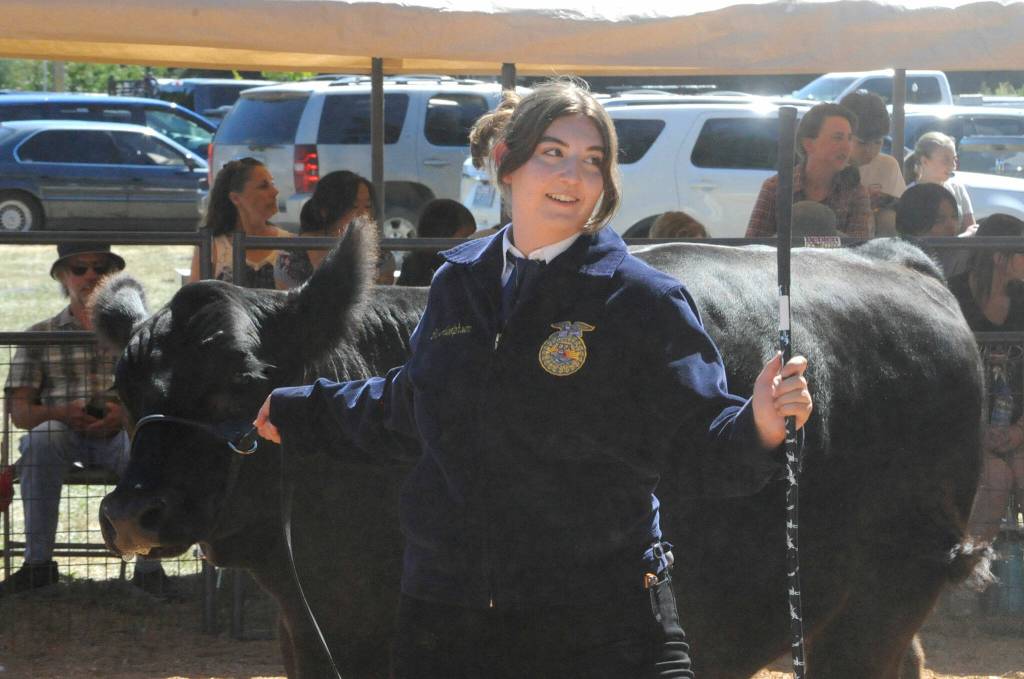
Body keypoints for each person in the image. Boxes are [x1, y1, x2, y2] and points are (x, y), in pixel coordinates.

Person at [253, 79, 813, 678]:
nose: (573, 175)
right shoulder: (457, 284)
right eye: (553, 153)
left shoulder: (641, 300)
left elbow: (699, 439)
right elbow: (411, 403)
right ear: (506, 163)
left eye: (592, 161)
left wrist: (756, 424)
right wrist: (300, 409)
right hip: (447, 616)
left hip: (599, 623)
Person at [1, 244, 170, 596]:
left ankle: (149, 568)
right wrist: (62, 413)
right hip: (61, 433)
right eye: (79, 268)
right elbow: (19, 412)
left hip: (121, 433)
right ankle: (37, 564)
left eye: (100, 268)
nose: (90, 275)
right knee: (43, 438)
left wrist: (122, 415)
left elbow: (161, 397)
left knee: (147, 445)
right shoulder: (38, 335)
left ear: (113, 278)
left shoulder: (141, 335)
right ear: (62, 276)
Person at [948, 214, 1024, 545]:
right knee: (994, 476)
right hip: (963, 426)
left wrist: (1018, 431)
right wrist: (977, 433)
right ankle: (972, 571)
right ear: (1000, 257)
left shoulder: (1022, 298)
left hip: (1015, 424)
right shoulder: (954, 295)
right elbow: (945, 378)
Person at [746, 102, 873, 239]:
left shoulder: (855, 192)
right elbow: (753, 249)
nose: (847, 147)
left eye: (849, 139)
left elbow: (858, 254)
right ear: (809, 144)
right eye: (837, 138)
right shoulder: (775, 188)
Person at [189, 157, 290, 289]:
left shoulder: (289, 243)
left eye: (272, 184)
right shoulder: (212, 246)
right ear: (235, 198)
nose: (275, 192)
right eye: (264, 186)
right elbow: (194, 300)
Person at [275, 170, 376, 289]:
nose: (364, 214)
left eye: (368, 206)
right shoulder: (291, 257)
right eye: (353, 207)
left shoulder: (379, 255)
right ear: (325, 211)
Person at [838, 90, 906, 236]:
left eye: (878, 142)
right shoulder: (828, 165)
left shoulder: (888, 166)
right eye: (862, 143)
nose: (870, 151)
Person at [904, 131, 976, 234]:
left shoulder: (957, 188)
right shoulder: (908, 195)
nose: (953, 166)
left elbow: (971, 229)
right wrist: (964, 238)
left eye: (954, 159)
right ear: (924, 161)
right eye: (946, 160)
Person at [396, 198, 477, 286]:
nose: (470, 244)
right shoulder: (451, 270)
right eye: (465, 238)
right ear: (444, 235)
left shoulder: (412, 264)